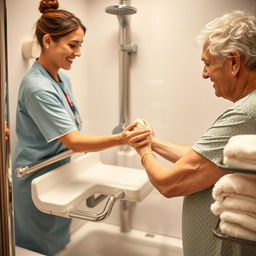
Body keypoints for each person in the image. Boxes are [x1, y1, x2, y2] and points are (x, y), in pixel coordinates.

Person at [12, 1, 150, 255]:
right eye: (72, 45)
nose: (78, 53)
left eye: (80, 46)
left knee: (59, 242)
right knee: (38, 249)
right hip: (36, 177)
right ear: (48, 41)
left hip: (60, 171)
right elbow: (74, 140)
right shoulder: (37, 88)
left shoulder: (61, 77)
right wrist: (122, 138)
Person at [132, 10, 256, 256]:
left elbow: (169, 184)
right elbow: (207, 161)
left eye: (207, 63)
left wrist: (143, 150)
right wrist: (152, 141)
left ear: (234, 62)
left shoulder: (246, 113)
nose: (204, 74)